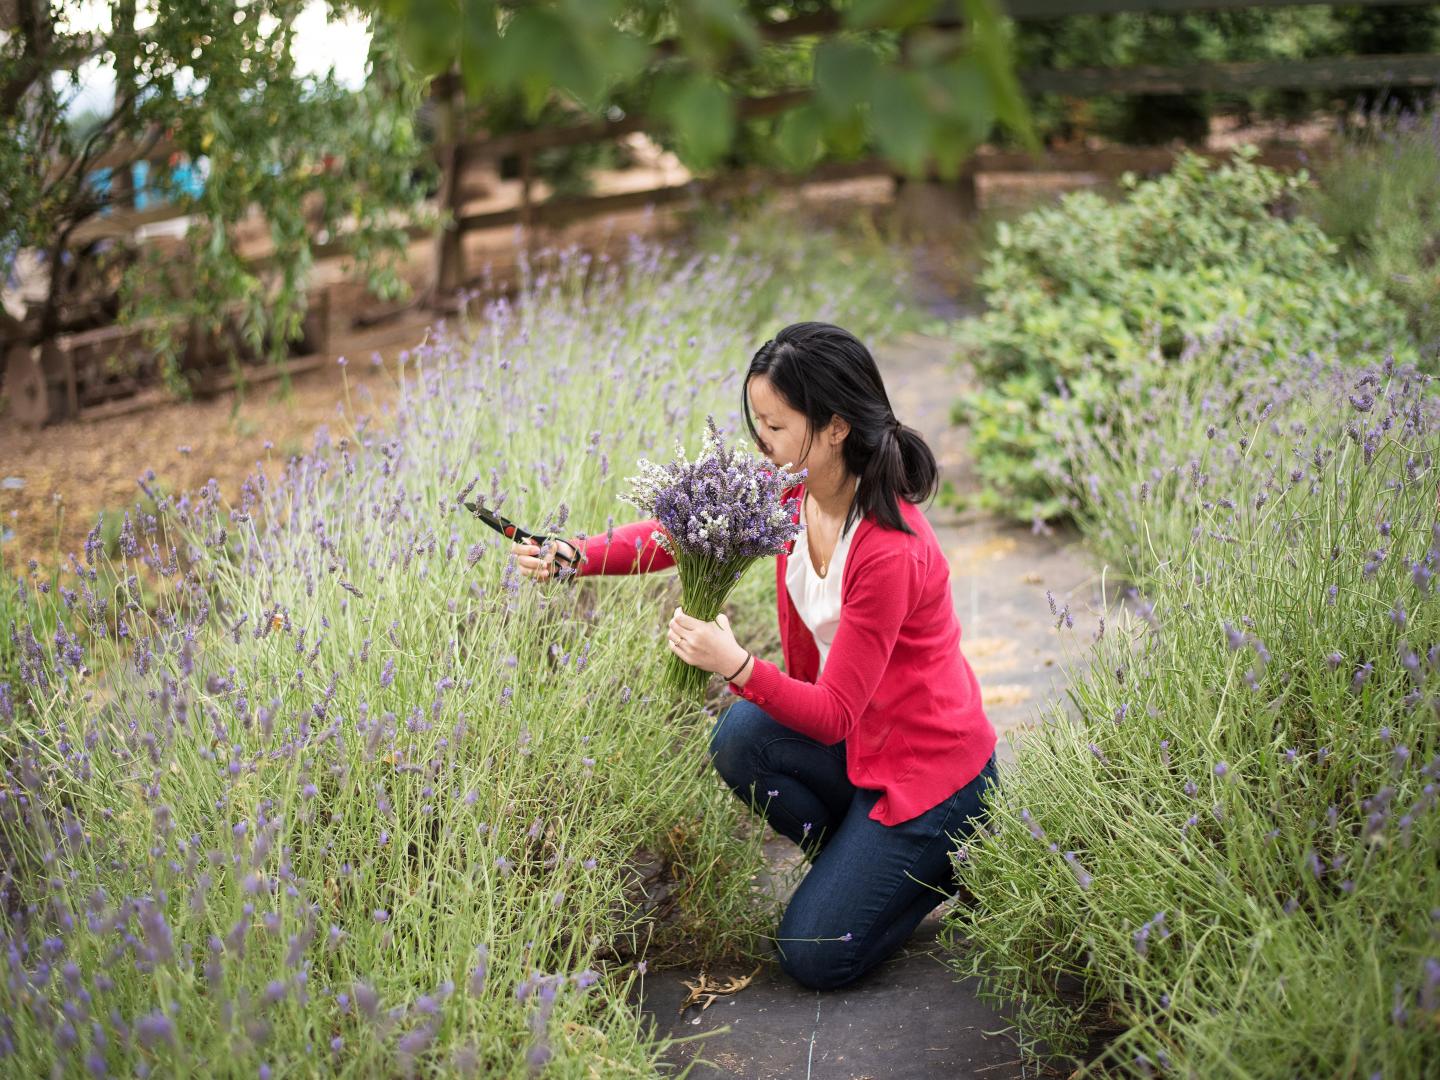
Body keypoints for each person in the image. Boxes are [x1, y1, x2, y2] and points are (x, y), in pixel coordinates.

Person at [511, 321, 998, 991]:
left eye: (774, 424)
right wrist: (575, 555)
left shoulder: (888, 548)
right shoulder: (795, 492)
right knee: (741, 737)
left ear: (834, 427)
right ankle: (860, 871)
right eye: (757, 422)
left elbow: (830, 716)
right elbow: (686, 528)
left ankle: (932, 865)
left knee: (813, 955)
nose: (759, 442)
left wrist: (735, 664)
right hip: (863, 750)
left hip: (926, 774)